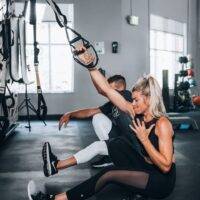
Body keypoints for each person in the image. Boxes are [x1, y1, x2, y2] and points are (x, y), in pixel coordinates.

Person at [29, 61, 176, 200]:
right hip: (145, 167)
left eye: (136, 100)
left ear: (149, 99)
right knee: (118, 144)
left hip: (161, 181)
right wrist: (91, 66)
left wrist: (144, 139)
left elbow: (165, 166)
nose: (133, 103)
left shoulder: (162, 124)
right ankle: (57, 167)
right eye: (133, 100)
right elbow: (106, 89)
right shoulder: (136, 112)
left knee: (108, 174)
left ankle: (57, 199)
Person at [59, 74, 134, 168]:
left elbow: (101, 90)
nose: (107, 93)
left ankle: (119, 156)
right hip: (121, 137)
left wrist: (92, 69)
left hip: (132, 144)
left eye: (110, 89)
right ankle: (111, 156)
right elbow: (90, 112)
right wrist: (70, 114)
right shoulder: (112, 103)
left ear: (119, 88)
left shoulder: (126, 95)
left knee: (97, 146)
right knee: (97, 117)